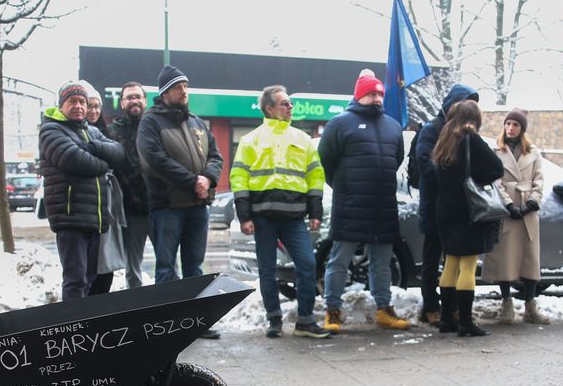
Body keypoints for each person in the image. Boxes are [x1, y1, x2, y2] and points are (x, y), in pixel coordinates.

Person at [231, 86, 331, 339]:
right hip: (263, 217)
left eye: (290, 103)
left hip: (295, 218)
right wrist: (245, 216)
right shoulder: (251, 140)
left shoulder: (303, 139)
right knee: (267, 270)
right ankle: (274, 319)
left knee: (307, 265)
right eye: (284, 103)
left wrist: (315, 211)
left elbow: (315, 176)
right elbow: (239, 177)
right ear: (269, 108)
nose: (290, 107)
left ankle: (305, 321)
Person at [318, 71, 409, 333]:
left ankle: (384, 309)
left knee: (382, 262)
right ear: (359, 95)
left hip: (383, 204)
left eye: (380, 93)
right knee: (339, 260)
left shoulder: (392, 126)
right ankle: (332, 310)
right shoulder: (340, 123)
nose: (377, 97)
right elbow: (326, 160)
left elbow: (396, 159)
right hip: (351, 205)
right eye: (372, 93)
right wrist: (343, 187)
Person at [137, 65, 224, 338]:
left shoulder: (197, 122)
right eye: (177, 87)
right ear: (164, 92)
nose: (183, 91)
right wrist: (193, 181)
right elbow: (154, 160)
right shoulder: (150, 122)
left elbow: (216, 156)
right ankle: (166, 325)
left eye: (185, 86)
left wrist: (208, 179)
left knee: (194, 269)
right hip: (168, 207)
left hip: (198, 207)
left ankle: (195, 323)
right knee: (166, 268)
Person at [38, 81, 124, 301]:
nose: (78, 106)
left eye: (82, 102)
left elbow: (119, 152)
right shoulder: (50, 130)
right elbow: (75, 160)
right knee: (75, 280)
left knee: (90, 278)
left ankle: (86, 326)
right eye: (72, 101)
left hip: (94, 219)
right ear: (61, 105)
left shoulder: (91, 132)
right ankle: (72, 328)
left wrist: (94, 148)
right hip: (70, 217)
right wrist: (105, 165)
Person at [430, 99, 505, 337]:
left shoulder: (444, 139)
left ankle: (446, 320)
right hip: (468, 211)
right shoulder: (471, 139)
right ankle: (465, 322)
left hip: (445, 211)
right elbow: (496, 168)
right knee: (468, 267)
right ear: (474, 120)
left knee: (451, 263)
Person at [414, 84, 480, 327]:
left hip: (456, 207)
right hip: (434, 204)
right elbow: (425, 163)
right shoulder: (432, 129)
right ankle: (431, 306)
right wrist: (451, 181)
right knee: (432, 259)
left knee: (452, 259)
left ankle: (450, 308)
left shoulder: (466, 132)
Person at [481, 107, 550, 325]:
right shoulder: (496, 152)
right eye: (508, 124)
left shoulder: (534, 153)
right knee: (505, 259)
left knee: (529, 260)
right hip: (506, 211)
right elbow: (495, 182)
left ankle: (530, 305)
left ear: (522, 129)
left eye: (515, 125)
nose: (510, 128)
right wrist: (509, 205)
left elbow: (540, 180)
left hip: (528, 211)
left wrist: (531, 203)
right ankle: (506, 303)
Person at [105, 81, 153, 289]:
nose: (134, 100)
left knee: (168, 264)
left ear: (145, 101)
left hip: (160, 207)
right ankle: (140, 310)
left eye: (138, 96)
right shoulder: (112, 132)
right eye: (129, 97)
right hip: (131, 210)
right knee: (132, 269)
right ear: (122, 103)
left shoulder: (155, 127)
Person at [81, 81, 127, 295]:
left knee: (106, 264)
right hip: (85, 209)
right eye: (90, 105)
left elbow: (118, 156)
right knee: (87, 267)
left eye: (97, 106)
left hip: (106, 207)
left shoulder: (105, 133)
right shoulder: (72, 133)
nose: (94, 111)